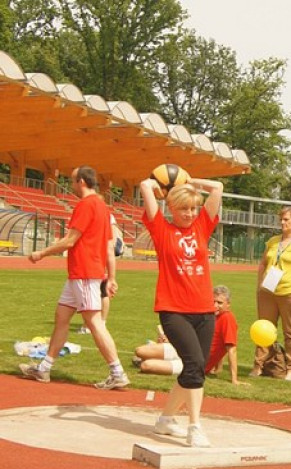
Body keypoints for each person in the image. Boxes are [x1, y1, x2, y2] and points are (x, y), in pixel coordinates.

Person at [19, 165, 129, 389]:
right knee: (61, 317)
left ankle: (117, 372)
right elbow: (109, 246)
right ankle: (44, 369)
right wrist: (111, 277)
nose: (71, 186)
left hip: (84, 273)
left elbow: (70, 241)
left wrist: (41, 253)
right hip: (80, 274)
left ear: (82, 182)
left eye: (72, 181)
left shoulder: (86, 205)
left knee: (94, 323)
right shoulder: (102, 207)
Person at [139, 172, 223, 447]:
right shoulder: (161, 230)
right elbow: (145, 186)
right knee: (195, 365)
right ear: (171, 208)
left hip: (205, 311)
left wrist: (191, 182)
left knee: (194, 367)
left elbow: (217, 187)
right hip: (173, 311)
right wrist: (159, 186)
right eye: (183, 209)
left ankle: (165, 420)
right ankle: (195, 426)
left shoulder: (202, 227)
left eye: (193, 208)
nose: (189, 214)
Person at [251, 206, 291, 382]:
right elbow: (263, 264)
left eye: (286, 219)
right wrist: (260, 286)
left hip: (290, 293)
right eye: (281, 219)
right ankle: (259, 365)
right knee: (264, 329)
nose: (282, 222)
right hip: (268, 292)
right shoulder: (273, 241)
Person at [134, 285, 241, 384]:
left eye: (219, 303)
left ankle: (155, 359)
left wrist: (234, 379)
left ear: (228, 304)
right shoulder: (210, 315)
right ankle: (156, 357)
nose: (215, 305)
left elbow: (231, 349)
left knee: (146, 365)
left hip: (193, 362)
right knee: (139, 351)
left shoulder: (228, 319)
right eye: (213, 301)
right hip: (184, 349)